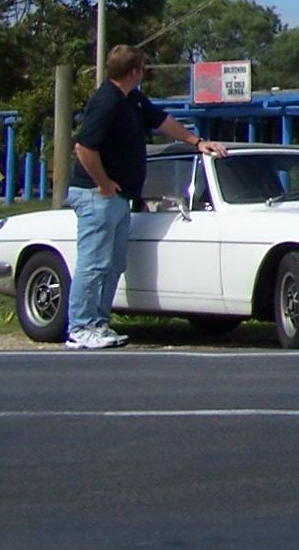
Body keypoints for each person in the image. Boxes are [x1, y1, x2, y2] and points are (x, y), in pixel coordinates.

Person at [66, 44, 224, 350]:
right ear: (134, 71)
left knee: (113, 264)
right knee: (94, 262)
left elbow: (160, 120)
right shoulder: (106, 101)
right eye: (142, 68)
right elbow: (84, 147)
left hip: (121, 196)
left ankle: (99, 324)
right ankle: (80, 327)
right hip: (96, 194)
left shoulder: (132, 98)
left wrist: (196, 141)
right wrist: (103, 183)